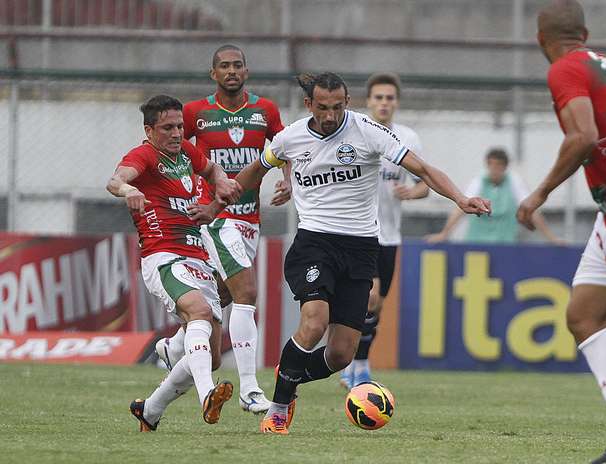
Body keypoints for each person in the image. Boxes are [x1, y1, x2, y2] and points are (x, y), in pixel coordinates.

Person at [189, 72, 491, 434]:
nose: (330, 115)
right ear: (308, 105)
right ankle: (278, 409)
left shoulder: (368, 131)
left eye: (336, 107)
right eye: (322, 108)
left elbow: (422, 169)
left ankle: (292, 379)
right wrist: (215, 206)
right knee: (314, 322)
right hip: (314, 243)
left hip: (362, 247)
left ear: (347, 102)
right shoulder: (291, 137)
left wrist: (461, 198)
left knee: (340, 354)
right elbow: (255, 170)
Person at [155, 44, 290, 414]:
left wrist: (288, 180)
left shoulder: (265, 110)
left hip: (249, 220)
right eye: (224, 66)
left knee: (223, 297)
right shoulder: (195, 113)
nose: (231, 71)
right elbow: (169, 150)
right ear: (213, 74)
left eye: (238, 65)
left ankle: (176, 345)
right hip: (216, 218)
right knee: (246, 291)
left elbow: (283, 149)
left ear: (246, 71)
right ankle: (249, 390)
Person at [516, 2, 606, 462]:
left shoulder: (565, 69)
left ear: (541, 40)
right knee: (583, 314)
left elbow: (581, 136)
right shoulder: (601, 64)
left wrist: (538, 195)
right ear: (585, 31)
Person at [106, 95, 242, 431]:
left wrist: (222, 181)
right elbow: (114, 180)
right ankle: (206, 395)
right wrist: (127, 190)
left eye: (180, 126)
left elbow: (212, 169)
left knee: (208, 357)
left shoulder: (186, 154)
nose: (177, 133)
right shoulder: (144, 155)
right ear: (149, 130)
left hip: (198, 257)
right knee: (197, 313)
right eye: (168, 127)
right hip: (163, 254)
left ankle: (150, 409)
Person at [340, 72, 429, 389]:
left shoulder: (408, 138)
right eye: (378, 97)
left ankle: (351, 361)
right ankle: (359, 367)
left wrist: (412, 192)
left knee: (375, 304)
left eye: (390, 98)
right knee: (370, 296)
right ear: (369, 101)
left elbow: (424, 186)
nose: (384, 103)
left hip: (390, 235)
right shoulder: (356, 133)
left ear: (396, 102)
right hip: (359, 232)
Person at [426, 147, 563, 244]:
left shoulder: (514, 182)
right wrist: (445, 234)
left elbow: (530, 209)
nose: (494, 169)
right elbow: (460, 209)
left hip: (505, 245)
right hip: (477, 243)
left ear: (505, 167)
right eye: (491, 164)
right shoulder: (478, 181)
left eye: (498, 165)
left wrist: (551, 238)